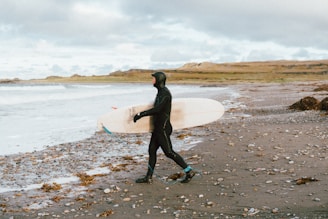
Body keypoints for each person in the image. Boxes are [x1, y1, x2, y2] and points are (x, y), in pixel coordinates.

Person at [133, 72, 195, 184]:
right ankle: (148, 177)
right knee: (152, 150)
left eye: (153, 79)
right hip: (157, 128)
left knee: (169, 152)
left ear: (159, 80)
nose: (152, 81)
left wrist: (140, 114)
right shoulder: (160, 92)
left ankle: (189, 171)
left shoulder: (165, 93)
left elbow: (157, 109)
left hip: (163, 128)